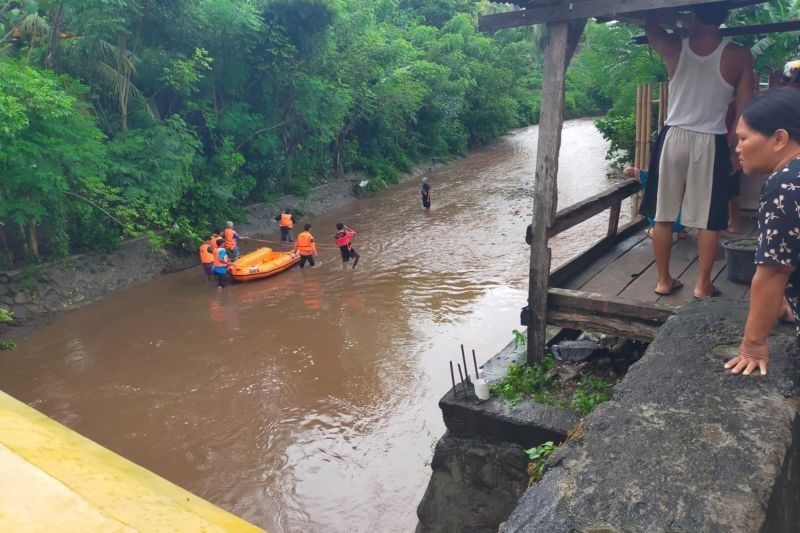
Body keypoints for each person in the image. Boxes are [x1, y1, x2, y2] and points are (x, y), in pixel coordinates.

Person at [640, 4, 753, 298]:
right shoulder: (739, 55)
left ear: (692, 15)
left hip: (673, 136)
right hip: (711, 140)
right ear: (724, 16)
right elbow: (744, 108)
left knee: (662, 214)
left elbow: (649, 25)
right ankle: (703, 285)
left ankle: (664, 281)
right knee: (708, 220)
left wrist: (664, 17)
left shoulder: (676, 47)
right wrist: (736, 146)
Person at [723, 88, 800, 376]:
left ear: (779, 139)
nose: (738, 148)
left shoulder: (786, 185)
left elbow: (774, 271)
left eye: (743, 138)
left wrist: (752, 344)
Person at [624, 167, 687, 238]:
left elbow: (627, 171)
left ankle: (654, 231)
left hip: (659, 222)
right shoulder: (682, 176)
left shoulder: (650, 177)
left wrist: (642, 170)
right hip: (683, 221)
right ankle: (681, 231)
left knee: (654, 211)